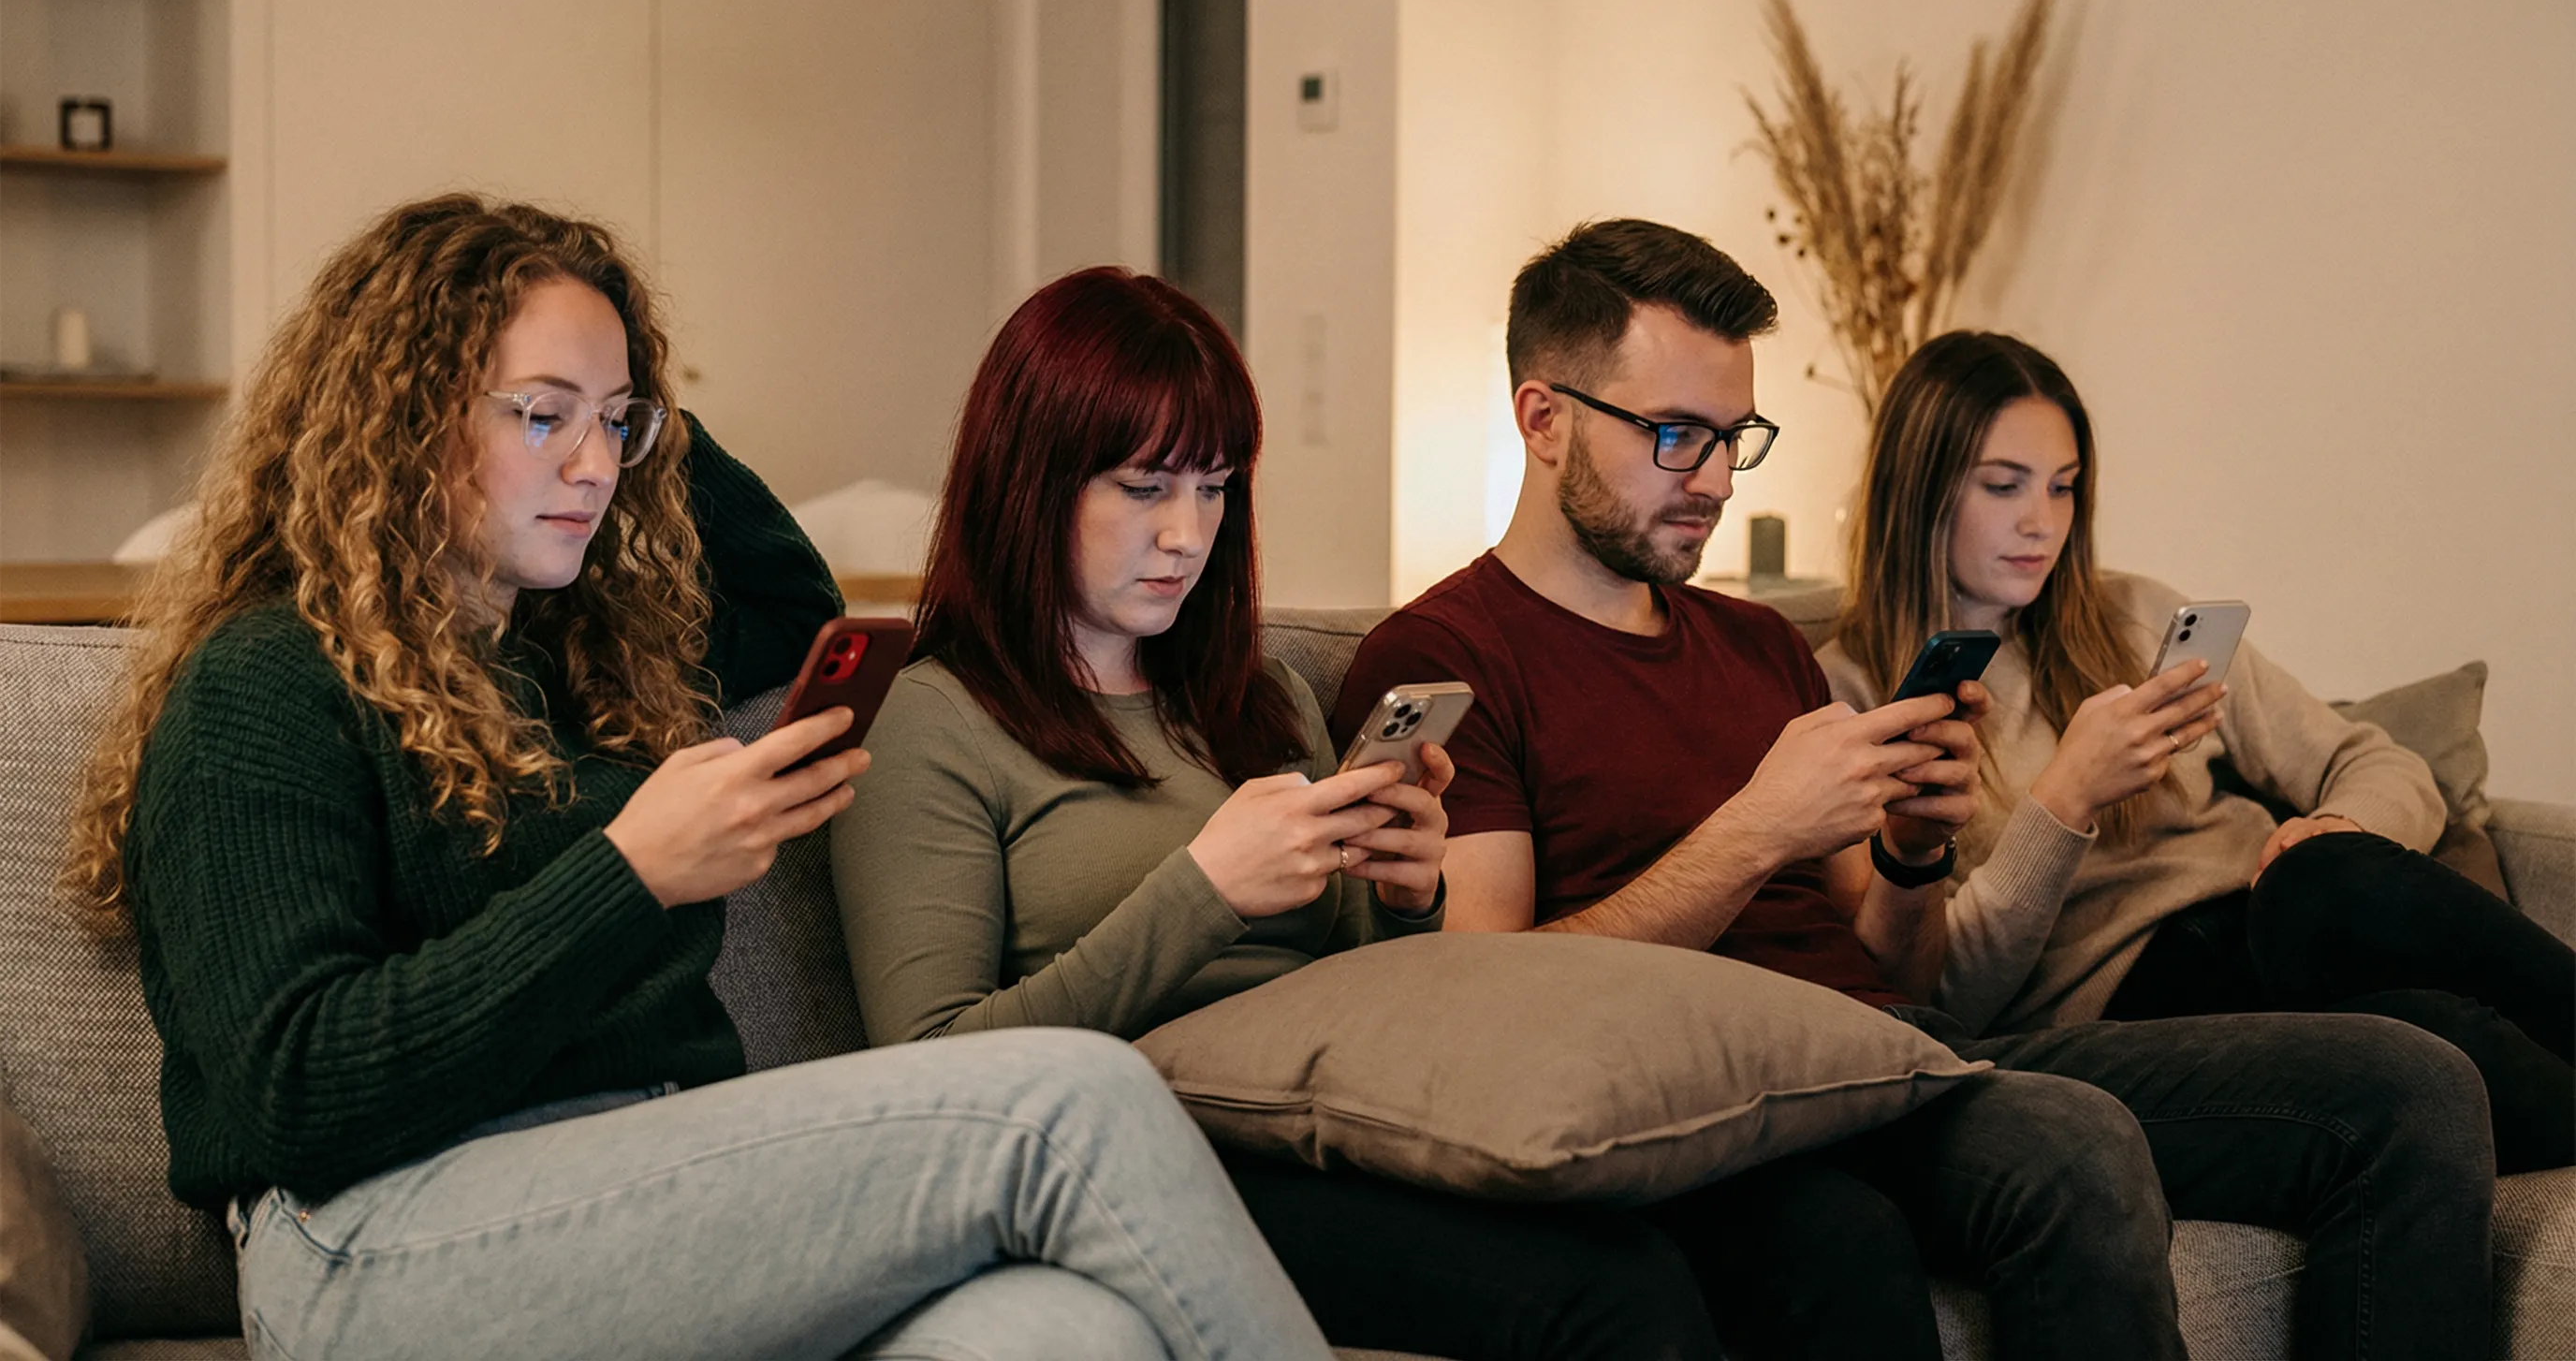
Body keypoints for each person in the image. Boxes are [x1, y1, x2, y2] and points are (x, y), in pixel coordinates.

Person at [57, 196, 1332, 1361]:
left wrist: (623, 379)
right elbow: (295, 1092)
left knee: (1057, 1333)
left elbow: (791, 596)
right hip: (371, 1239)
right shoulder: (263, 685)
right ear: (400, 419)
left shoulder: (596, 668)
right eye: (542, 414)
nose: (597, 466)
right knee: (1070, 1098)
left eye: (618, 423)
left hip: (643, 1190)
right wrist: (628, 874)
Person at [1336, 218, 2496, 1361]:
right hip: (1716, 1092)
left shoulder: (1758, 647)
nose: (1714, 482)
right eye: (1675, 435)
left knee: (2411, 1086)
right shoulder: (1446, 658)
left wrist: (1909, 849)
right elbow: (1487, 1008)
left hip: (1900, 1052)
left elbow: (1901, 972)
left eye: (1736, 437)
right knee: (2068, 1145)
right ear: (1542, 418)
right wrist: (1752, 831)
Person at [837, 265, 1730, 1361]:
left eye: (1213, 489)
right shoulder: (937, 717)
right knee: (1606, 1295)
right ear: (1031, 479)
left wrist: (1406, 895)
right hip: (1144, 1160)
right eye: (1143, 485)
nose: (1186, 534)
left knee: (1681, 1248)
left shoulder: (1258, 698)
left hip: (1329, 1127)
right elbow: (933, 1072)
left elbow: (1350, 989)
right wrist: (1203, 892)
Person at [1821, 328, 2575, 1173]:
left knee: (2325, 878)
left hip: (2278, 920)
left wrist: (2331, 823)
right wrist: (2064, 800)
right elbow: (1946, 999)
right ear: (1917, 490)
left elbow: (2383, 764)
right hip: (2140, 1001)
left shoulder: (2135, 616)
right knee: (2442, 1037)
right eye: (2003, 486)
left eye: (2064, 488)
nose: (2041, 523)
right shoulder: (1844, 700)